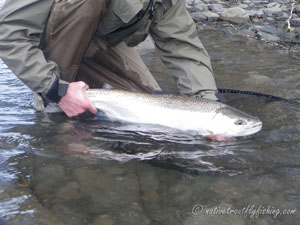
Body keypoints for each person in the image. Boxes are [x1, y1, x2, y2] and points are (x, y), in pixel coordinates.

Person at [0, 0, 218, 118]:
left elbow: (181, 45)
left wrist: (208, 105)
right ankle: (54, 101)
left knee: (150, 119)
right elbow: (6, 32)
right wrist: (55, 88)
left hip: (99, 47)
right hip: (55, 46)